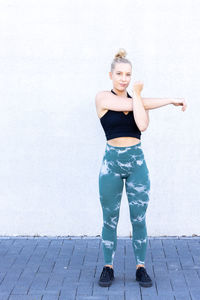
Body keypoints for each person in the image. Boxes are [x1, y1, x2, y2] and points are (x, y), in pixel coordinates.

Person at [95, 48, 187, 288]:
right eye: (120, 74)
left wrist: (166, 100)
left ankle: (140, 267)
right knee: (109, 219)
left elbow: (142, 125)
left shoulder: (137, 100)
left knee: (139, 218)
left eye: (128, 74)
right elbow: (128, 102)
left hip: (137, 164)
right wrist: (140, 96)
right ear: (111, 75)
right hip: (111, 164)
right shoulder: (102, 98)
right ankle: (108, 267)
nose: (124, 78)